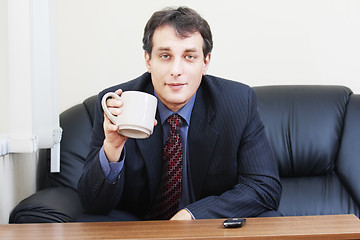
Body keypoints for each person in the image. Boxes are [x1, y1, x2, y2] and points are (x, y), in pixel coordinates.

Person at [77, 6, 282, 221]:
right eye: (165, 56)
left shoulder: (238, 102)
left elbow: (264, 187)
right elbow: (92, 204)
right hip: (141, 228)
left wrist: (193, 215)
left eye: (189, 56)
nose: (176, 70)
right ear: (148, 60)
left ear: (205, 62)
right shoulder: (118, 104)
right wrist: (113, 147)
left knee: (272, 218)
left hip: (209, 227)